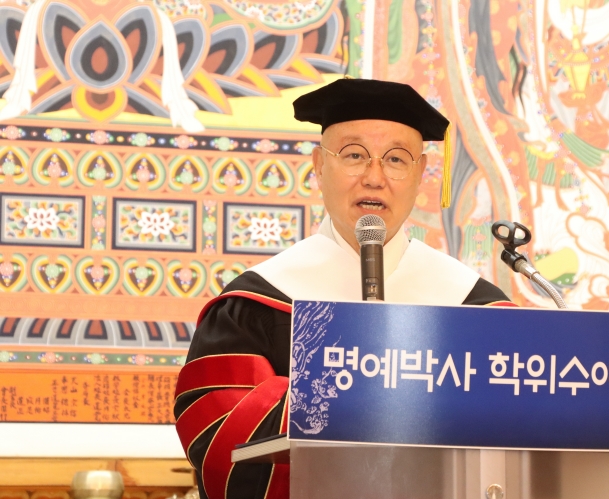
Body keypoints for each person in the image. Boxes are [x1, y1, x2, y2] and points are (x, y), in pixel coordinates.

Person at [173, 78, 515, 499]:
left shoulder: (475, 306)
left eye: (396, 159)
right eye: (354, 155)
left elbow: (521, 432)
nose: (374, 177)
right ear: (319, 165)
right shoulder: (259, 301)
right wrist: (351, 400)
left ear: (420, 173)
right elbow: (216, 431)